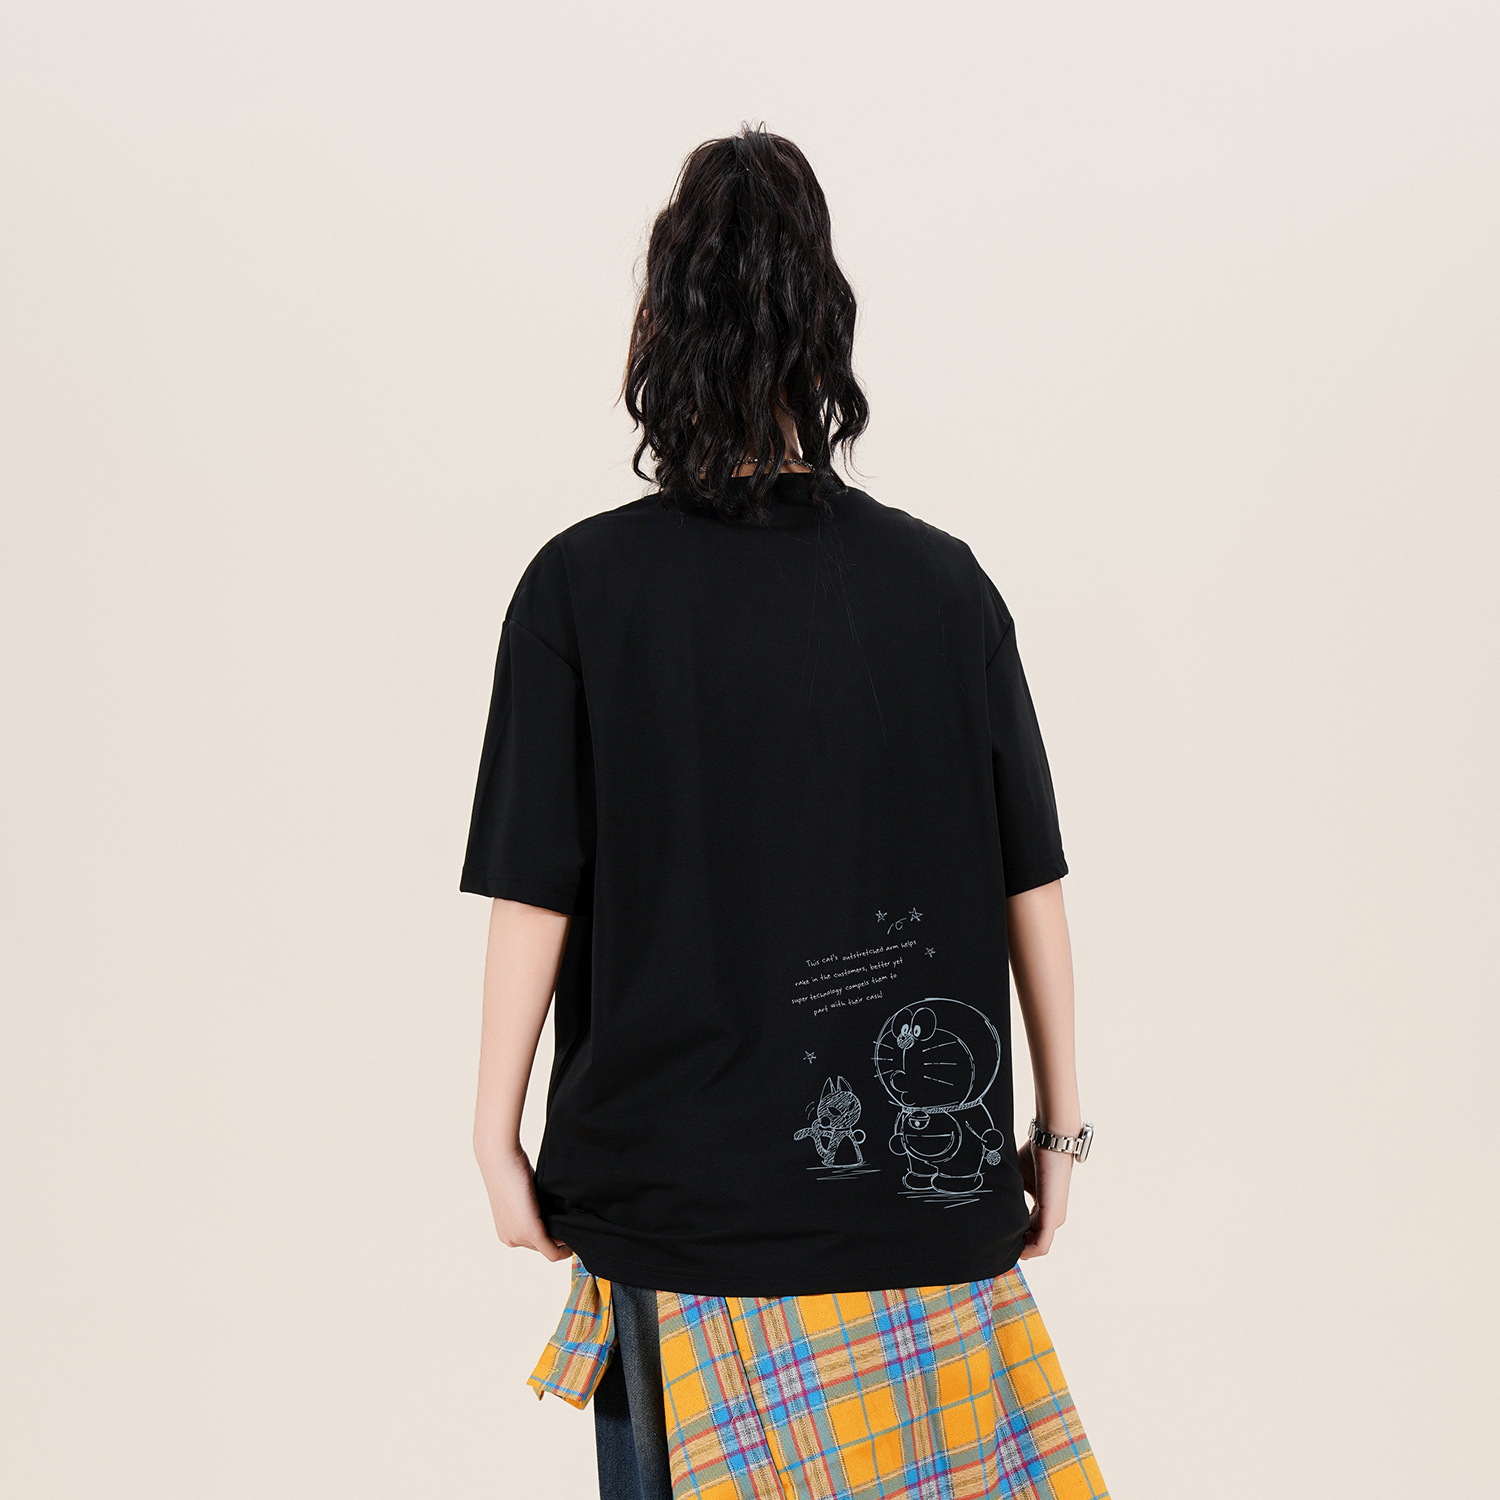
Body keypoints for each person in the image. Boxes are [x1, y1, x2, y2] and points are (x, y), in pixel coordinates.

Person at [461, 127, 1108, 1500]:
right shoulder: (947, 591)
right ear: (828, 328)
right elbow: (1032, 880)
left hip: (675, 1215)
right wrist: (1057, 1135)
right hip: (921, 1225)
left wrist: (494, 1135)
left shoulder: (579, 589)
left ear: (661, 326)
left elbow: (536, 886)